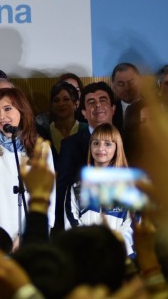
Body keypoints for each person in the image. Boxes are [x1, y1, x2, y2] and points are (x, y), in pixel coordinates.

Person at [0, 88, 56, 241]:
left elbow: (47, 197)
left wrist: (29, 237)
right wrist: (1, 239)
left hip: (31, 239)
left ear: (22, 111)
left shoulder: (41, 148)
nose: (1, 117)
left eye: (7, 109)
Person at [54, 82, 116, 233]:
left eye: (103, 100)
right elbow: (63, 191)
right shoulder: (70, 145)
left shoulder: (128, 141)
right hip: (82, 228)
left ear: (113, 108)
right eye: (91, 102)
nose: (98, 106)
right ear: (83, 112)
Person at [64, 123, 134, 256]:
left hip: (121, 256)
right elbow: (71, 221)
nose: (100, 148)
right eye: (96, 143)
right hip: (85, 256)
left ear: (117, 147)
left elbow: (133, 223)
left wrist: (115, 246)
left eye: (107, 144)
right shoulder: (77, 185)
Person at [42, 81, 86, 166]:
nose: (61, 104)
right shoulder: (44, 133)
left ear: (76, 104)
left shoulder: (86, 130)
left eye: (66, 99)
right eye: (56, 100)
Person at [111, 63, 142, 131]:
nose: (127, 88)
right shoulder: (110, 111)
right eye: (121, 84)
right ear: (114, 87)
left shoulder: (153, 107)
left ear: (140, 81)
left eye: (131, 82)